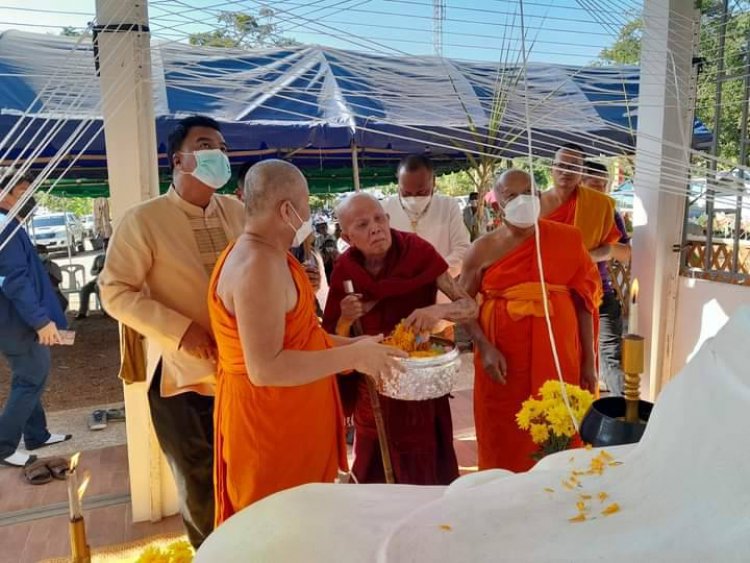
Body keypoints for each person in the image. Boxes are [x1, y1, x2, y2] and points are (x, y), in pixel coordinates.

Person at [207, 160, 406, 525]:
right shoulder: (257, 265)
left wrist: (355, 347)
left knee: (306, 527)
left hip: (292, 418)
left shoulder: (271, 255)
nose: (309, 215)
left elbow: (303, 337)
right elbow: (266, 367)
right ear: (287, 210)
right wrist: (356, 358)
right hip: (268, 428)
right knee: (278, 532)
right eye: (306, 204)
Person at [99, 115, 243, 548]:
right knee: (201, 492)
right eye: (205, 144)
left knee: (248, 477)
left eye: (221, 145)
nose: (217, 153)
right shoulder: (143, 220)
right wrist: (182, 332)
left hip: (246, 371)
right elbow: (114, 292)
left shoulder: (239, 212)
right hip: (185, 379)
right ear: (178, 159)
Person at [323, 193, 478, 485]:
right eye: (363, 224)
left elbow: (470, 307)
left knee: (427, 464)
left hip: (419, 380)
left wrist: (438, 310)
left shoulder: (417, 251)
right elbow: (333, 343)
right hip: (373, 386)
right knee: (376, 470)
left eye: (380, 218)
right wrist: (345, 318)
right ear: (346, 235)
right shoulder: (345, 270)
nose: (376, 228)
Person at [461, 170, 600, 473]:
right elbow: (464, 304)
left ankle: (558, 489)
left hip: (558, 353)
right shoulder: (482, 249)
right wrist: (483, 346)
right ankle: (502, 496)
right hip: (502, 358)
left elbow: (585, 302)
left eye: (530, 192)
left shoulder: (568, 238)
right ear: (497, 205)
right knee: (505, 430)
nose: (524, 200)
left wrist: (588, 362)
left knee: (558, 425)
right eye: (512, 195)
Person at [0, 168, 71, 468]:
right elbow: (14, 280)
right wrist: (41, 321)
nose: (28, 198)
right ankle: (3, 447)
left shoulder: (9, 225)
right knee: (31, 379)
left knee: (28, 376)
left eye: (31, 192)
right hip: (18, 322)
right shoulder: (5, 228)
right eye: (21, 192)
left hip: (16, 320)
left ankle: (36, 434)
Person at [582, 161, 632, 395]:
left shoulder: (610, 214)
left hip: (600, 293)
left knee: (611, 357)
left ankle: (623, 415)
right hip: (565, 295)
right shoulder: (561, 210)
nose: (601, 191)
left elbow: (625, 254)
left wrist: (603, 250)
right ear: (579, 184)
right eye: (594, 185)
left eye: (604, 185)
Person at [382, 155, 470, 280]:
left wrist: (433, 274)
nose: (413, 199)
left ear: (433, 182)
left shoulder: (448, 206)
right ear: (398, 184)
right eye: (406, 193)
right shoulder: (384, 209)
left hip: (440, 286)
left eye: (421, 193)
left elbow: (462, 249)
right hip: (399, 288)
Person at [75, 252, 106, 320]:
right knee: (84, 289)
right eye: (104, 245)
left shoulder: (115, 257)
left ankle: (105, 310)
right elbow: (92, 271)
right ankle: (82, 312)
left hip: (109, 281)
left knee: (97, 287)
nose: (105, 247)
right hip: (97, 279)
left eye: (107, 245)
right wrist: (98, 271)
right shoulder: (98, 258)